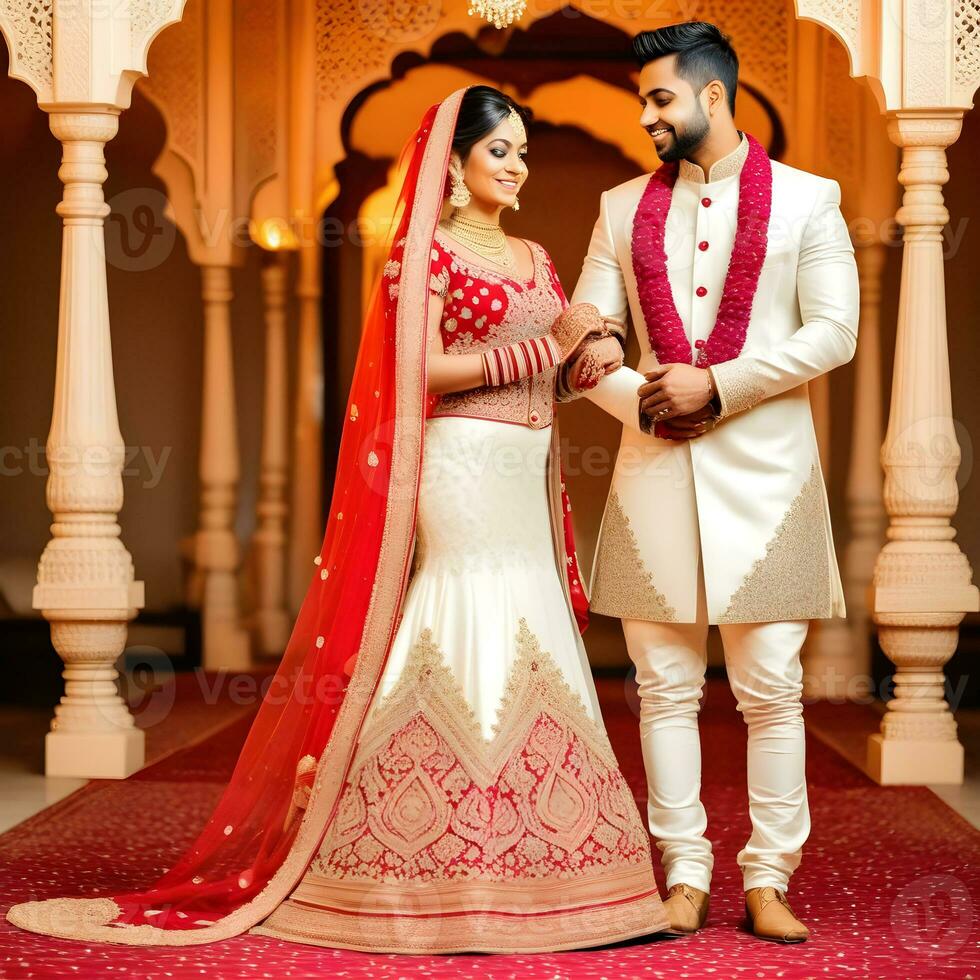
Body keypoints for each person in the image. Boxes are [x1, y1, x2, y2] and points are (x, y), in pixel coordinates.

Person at [7, 85, 669, 954]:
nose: (516, 166)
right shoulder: (424, 255)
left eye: (522, 152)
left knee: (533, 613)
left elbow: (563, 373)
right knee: (469, 605)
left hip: (524, 466)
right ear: (456, 163)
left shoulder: (539, 260)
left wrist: (602, 351)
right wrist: (544, 347)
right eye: (499, 151)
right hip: (458, 465)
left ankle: (549, 867)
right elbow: (416, 371)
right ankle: (412, 862)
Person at [558, 23, 859, 943]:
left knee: (770, 686)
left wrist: (718, 385)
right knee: (664, 686)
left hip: (766, 484)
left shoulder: (811, 201)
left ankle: (769, 877)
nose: (645, 115)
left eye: (659, 98)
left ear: (714, 96)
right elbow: (582, 335)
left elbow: (833, 333)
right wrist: (643, 402)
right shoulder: (619, 209)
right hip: (654, 478)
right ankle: (683, 872)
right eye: (642, 100)